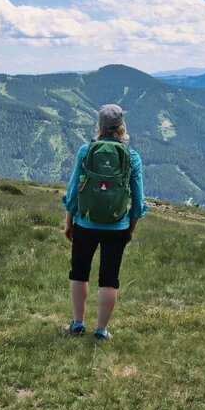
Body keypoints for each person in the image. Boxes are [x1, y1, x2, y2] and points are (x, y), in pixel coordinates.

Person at [62, 104, 147, 340]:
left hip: (85, 223)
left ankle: (78, 325)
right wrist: (130, 229)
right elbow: (138, 201)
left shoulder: (85, 150)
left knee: (79, 273)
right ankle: (101, 330)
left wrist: (69, 222)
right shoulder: (131, 157)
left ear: (99, 125)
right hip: (117, 226)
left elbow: (73, 192)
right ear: (122, 127)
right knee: (109, 278)